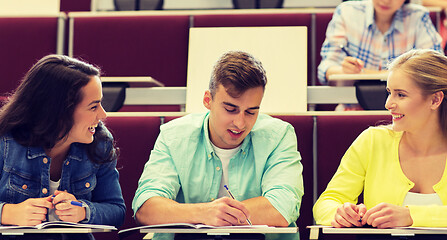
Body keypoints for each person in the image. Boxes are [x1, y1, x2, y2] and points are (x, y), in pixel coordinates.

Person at [132, 51, 303, 240]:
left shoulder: (279, 136)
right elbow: (146, 208)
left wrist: (217, 214)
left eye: (251, 112)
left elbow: (281, 208)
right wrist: (204, 213)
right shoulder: (174, 136)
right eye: (230, 109)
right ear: (208, 100)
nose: (240, 123)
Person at [313, 49, 447, 234]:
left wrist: (410, 216)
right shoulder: (372, 141)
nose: (388, 104)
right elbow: (326, 202)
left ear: (435, 99)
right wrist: (340, 213)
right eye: (389, 92)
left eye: (400, 95)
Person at [0, 55, 126, 239]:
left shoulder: (101, 142)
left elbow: (117, 210)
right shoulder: (5, 139)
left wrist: (84, 211)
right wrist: (7, 212)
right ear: (59, 112)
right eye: (93, 107)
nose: (103, 114)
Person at [318, 0, 442, 110]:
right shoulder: (347, 12)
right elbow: (326, 68)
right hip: (353, 108)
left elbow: (436, 69)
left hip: (407, 113)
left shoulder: (418, 16)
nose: (386, 1)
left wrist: (364, 73)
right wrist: (343, 70)